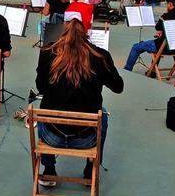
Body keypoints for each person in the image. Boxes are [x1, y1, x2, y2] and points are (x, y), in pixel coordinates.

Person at [35, 18, 124, 186]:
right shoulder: (100, 55)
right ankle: (90, 172)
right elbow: (118, 87)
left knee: (43, 110)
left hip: (52, 136)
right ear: (86, 35)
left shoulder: (47, 52)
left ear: (62, 33)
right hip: (86, 137)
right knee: (102, 114)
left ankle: (49, 170)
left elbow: (41, 87)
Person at [124, 0, 175, 72]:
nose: (166, 6)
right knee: (158, 43)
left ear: (170, 4)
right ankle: (153, 71)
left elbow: (158, 28)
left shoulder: (166, 16)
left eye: (166, 4)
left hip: (164, 48)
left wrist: (161, 30)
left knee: (136, 47)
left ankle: (127, 69)